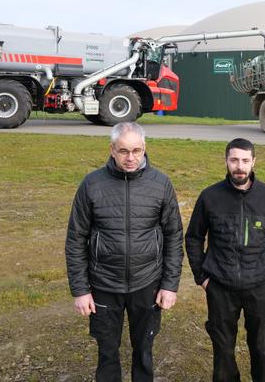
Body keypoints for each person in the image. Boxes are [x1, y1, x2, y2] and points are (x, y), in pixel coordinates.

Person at [65, 122, 183, 382]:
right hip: (104, 283)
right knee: (107, 351)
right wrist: (81, 290)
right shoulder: (92, 184)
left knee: (144, 349)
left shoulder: (161, 184)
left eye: (137, 151)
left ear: (144, 149)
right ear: (112, 150)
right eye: (123, 151)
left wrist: (170, 285)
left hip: (147, 282)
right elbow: (76, 239)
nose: (131, 158)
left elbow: (174, 236)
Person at [185, 138, 265, 382]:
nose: (239, 166)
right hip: (220, 287)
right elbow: (193, 237)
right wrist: (201, 276)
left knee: (262, 348)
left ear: (254, 162)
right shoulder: (210, 197)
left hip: (260, 285)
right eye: (234, 160)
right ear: (226, 161)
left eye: (245, 160)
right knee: (223, 351)